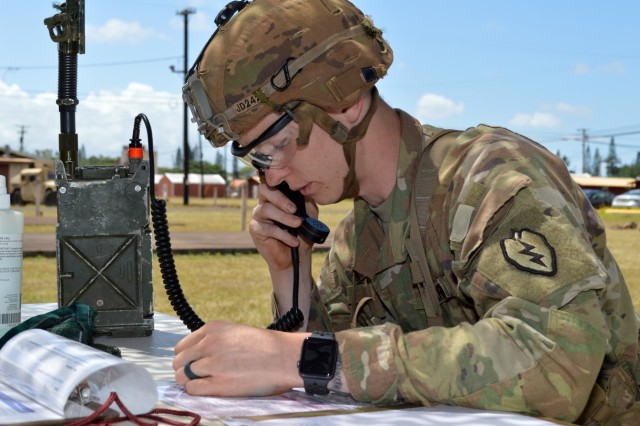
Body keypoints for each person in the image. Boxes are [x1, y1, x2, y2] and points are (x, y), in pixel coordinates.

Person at [173, 0, 640, 424]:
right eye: (258, 159)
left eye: (276, 145)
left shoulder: (490, 177)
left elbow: (556, 363)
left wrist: (298, 358)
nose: (272, 178)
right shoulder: (356, 241)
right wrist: (288, 272)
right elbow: (331, 383)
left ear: (345, 103)